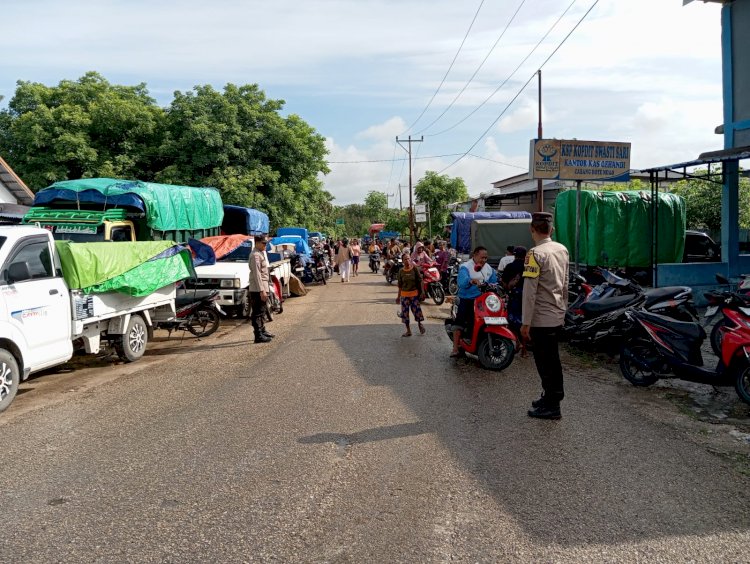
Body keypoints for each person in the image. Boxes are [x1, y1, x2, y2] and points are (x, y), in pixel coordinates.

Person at [522, 212, 569, 420]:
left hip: (541, 319)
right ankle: (549, 397)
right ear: (551, 230)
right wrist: (563, 309)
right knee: (551, 360)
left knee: (546, 362)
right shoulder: (562, 249)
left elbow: (529, 292)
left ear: (532, 229)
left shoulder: (534, 253)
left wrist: (525, 322)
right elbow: (566, 284)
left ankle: (553, 405)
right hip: (556, 314)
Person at [450, 246, 497, 357]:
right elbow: (461, 282)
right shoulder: (465, 267)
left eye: (486, 258)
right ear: (475, 255)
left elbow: (494, 281)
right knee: (460, 322)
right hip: (467, 299)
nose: (484, 260)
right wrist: (471, 281)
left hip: (483, 300)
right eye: (482, 257)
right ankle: (455, 348)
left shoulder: (488, 268)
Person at [248, 235, 274, 343]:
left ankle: (262, 330)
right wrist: (261, 290)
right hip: (258, 289)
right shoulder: (255, 256)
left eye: (266, 243)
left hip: (263, 286)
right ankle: (258, 335)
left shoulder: (260, 253)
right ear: (257, 243)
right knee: (257, 312)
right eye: (263, 243)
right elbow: (257, 274)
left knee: (262, 310)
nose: (265, 245)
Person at [396, 251, 425, 337]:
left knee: (417, 311)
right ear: (402, 261)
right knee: (405, 314)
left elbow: (420, 281)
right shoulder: (401, 271)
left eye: (408, 258)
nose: (407, 260)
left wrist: (422, 292)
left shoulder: (415, 269)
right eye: (405, 259)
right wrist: (398, 297)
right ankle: (408, 331)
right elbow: (400, 285)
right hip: (404, 296)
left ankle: (420, 324)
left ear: (410, 259)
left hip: (414, 295)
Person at [501, 246, 527, 334]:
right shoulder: (528, 267)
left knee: (513, 320)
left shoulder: (509, 266)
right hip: (527, 296)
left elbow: (503, 283)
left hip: (514, 296)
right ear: (525, 255)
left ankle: (516, 340)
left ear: (514, 255)